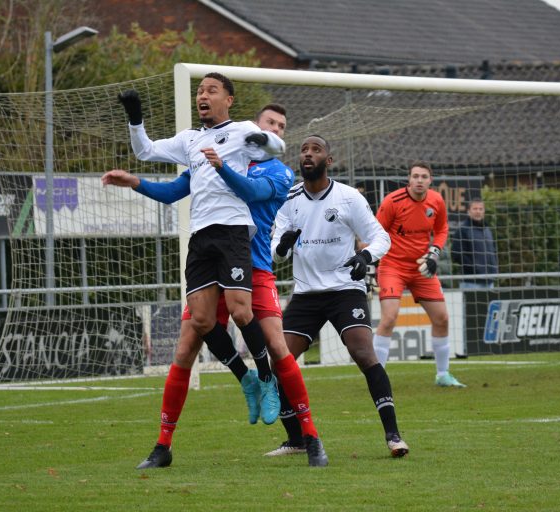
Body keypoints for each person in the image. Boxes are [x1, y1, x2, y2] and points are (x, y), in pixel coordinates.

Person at [111, 79, 326, 464]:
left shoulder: (276, 170)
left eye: (279, 128)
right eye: (269, 124)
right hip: (206, 249)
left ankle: (307, 436)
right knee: (192, 334)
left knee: (276, 346)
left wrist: (232, 158)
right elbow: (167, 179)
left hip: (252, 264)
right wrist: (136, 180)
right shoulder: (199, 145)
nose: (273, 132)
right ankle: (165, 444)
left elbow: (249, 192)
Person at [270, 134, 410, 458]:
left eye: (315, 150)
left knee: (364, 353)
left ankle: (393, 435)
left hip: (345, 289)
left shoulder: (348, 197)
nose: (308, 154)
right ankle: (296, 439)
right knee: (280, 361)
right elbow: (275, 253)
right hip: (306, 293)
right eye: (304, 150)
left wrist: (365, 258)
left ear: (328, 161)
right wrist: (282, 245)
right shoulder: (288, 200)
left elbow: (380, 238)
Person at [371, 161, 466, 388]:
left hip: (421, 267)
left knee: (442, 318)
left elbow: (442, 229)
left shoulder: (436, 200)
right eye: (416, 176)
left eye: (424, 176)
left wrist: (434, 253)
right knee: (389, 318)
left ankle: (442, 375)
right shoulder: (392, 201)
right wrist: (372, 264)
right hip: (392, 265)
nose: (419, 180)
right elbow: (375, 231)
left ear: (430, 180)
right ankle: (376, 378)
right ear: (409, 179)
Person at [451, 199, 498, 289]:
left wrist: (494, 270)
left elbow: (494, 252)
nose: (478, 211)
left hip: (489, 281)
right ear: (468, 211)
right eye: (475, 209)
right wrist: (474, 269)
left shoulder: (488, 230)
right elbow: (456, 255)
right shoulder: (463, 230)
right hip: (471, 282)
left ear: (484, 211)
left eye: (481, 209)